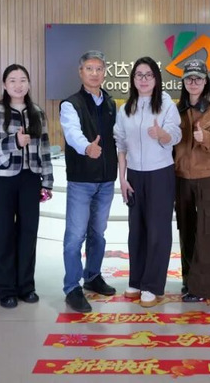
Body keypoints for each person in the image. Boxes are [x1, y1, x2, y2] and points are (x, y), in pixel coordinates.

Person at [0, 64, 53, 309]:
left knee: (28, 233)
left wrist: (47, 181)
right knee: (3, 234)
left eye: (23, 80)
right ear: (4, 85)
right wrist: (14, 142)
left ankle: (26, 286)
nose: (18, 85)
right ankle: (5, 290)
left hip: (30, 178)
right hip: (1, 179)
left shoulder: (37, 112)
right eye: (12, 80)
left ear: (29, 84)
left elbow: (45, 148)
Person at [114, 57, 182, 308]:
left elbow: (176, 135)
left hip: (160, 173)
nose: (143, 80)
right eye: (139, 75)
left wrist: (162, 134)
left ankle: (153, 286)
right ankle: (137, 280)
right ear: (133, 79)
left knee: (157, 230)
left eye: (148, 75)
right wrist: (122, 179)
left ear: (156, 78)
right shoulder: (126, 109)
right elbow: (121, 144)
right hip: (134, 175)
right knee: (137, 231)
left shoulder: (166, 105)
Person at [60, 51, 118, 314]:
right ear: (80, 72)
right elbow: (72, 133)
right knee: (75, 237)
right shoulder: (70, 104)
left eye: (99, 69)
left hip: (106, 180)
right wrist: (87, 148)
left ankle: (92, 276)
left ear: (104, 73)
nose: (95, 73)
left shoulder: (111, 103)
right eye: (89, 68)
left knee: (98, 233)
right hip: (81, 179)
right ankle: (72, 288)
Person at [174, 58, 210, 302]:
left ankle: (203, 288)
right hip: (181, 178)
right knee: (186, 230)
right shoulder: (176, 109)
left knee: (207, 232)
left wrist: (204, 136)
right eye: (189, 78)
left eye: (198, 78)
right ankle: (189, 280)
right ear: (183, 82)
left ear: (206, 82)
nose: (193, 82)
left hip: (207, 178)